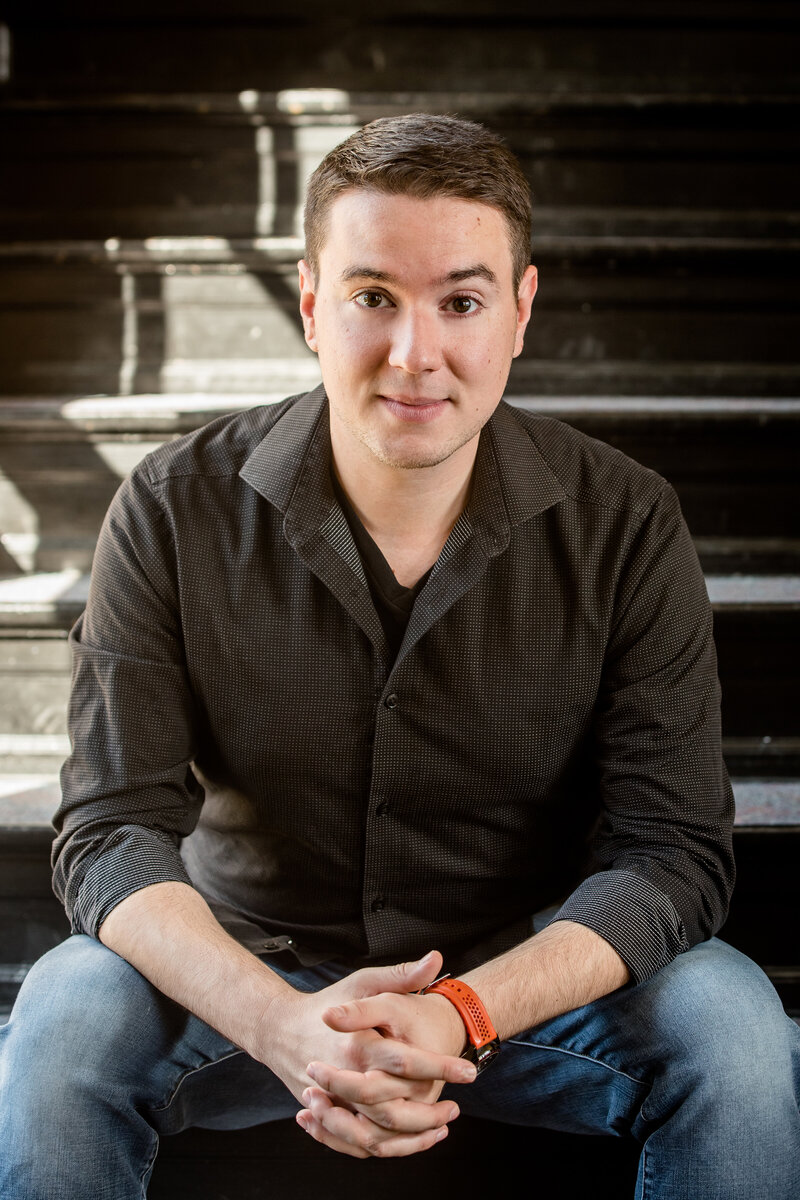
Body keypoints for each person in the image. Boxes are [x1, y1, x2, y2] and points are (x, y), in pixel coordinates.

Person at [1, 114, 798, 1199]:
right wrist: (280, 1023)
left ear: (517, 313)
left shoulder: (627, 522)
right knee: (59, 1022)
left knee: (735, 1032)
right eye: (373, 296)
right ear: (311, 305)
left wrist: (460, 1009)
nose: (414, 353)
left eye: (459, 302)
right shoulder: (170, 507)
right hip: (251, 970)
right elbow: (109, 831)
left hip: (524, 978)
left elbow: (671, 855)